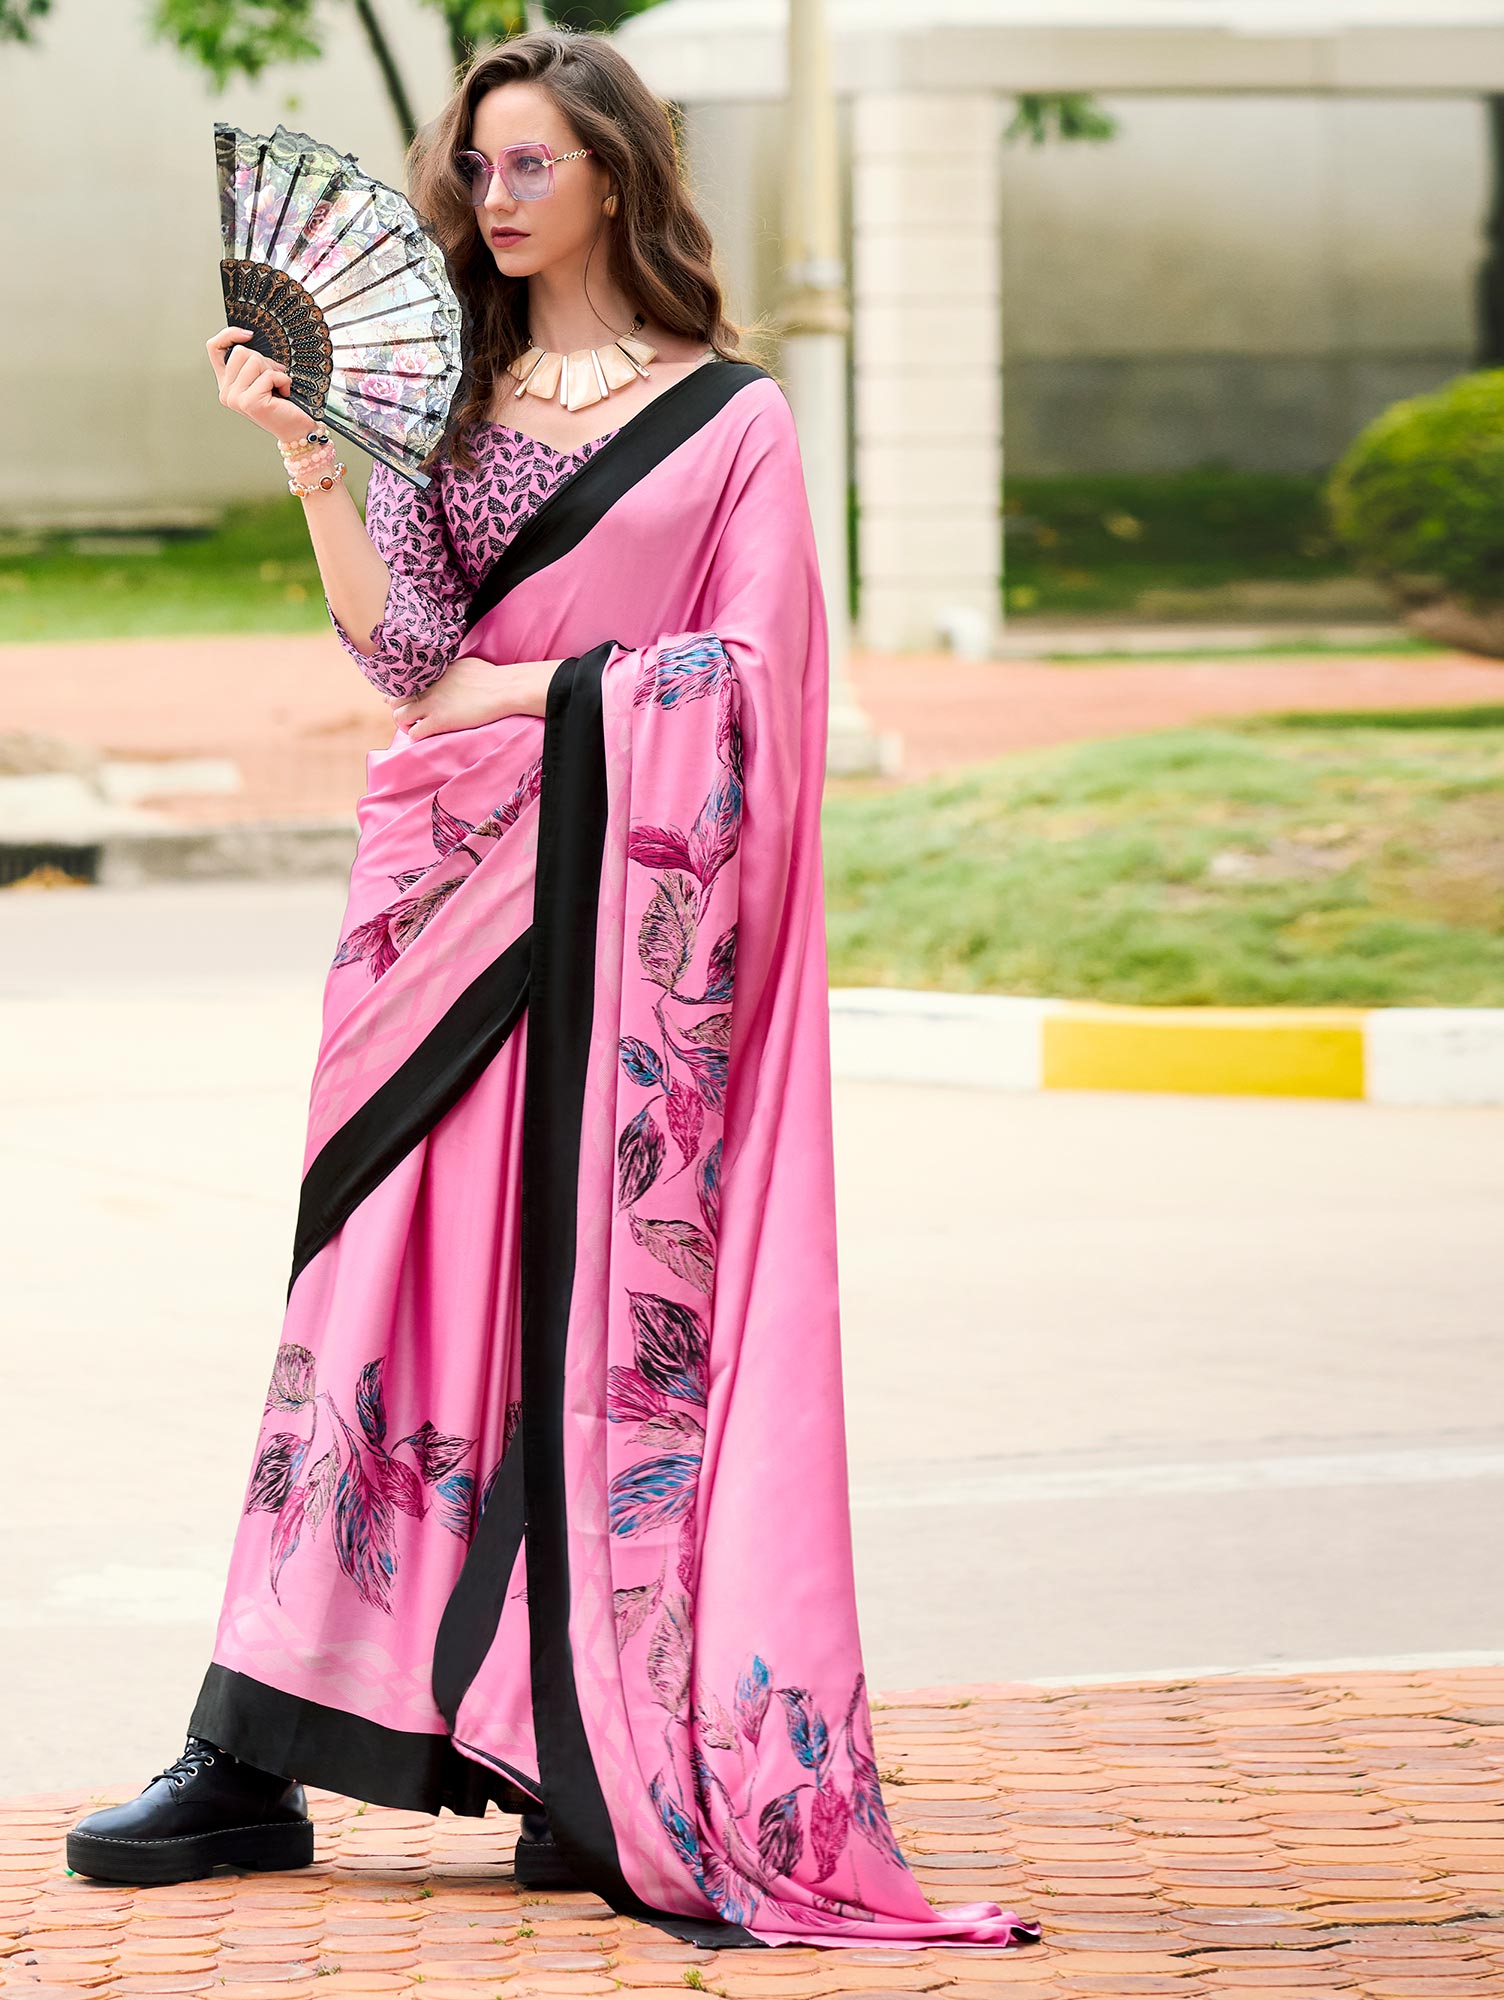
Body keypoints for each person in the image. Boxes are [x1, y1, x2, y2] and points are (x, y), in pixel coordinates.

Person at [67, 28, 1036, 1953]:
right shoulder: (451, 405)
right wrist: (315, 463)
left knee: (590, 1321)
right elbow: (402, 656)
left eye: (528, 165)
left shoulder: (734, 421)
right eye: (478, 167)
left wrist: (549, 697)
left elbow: (754, 693)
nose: (493, 197)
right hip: (444, 909)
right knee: (370, 1305)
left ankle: (566, 1740)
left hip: (627, 939)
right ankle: (247, 1745)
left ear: (613, 174)